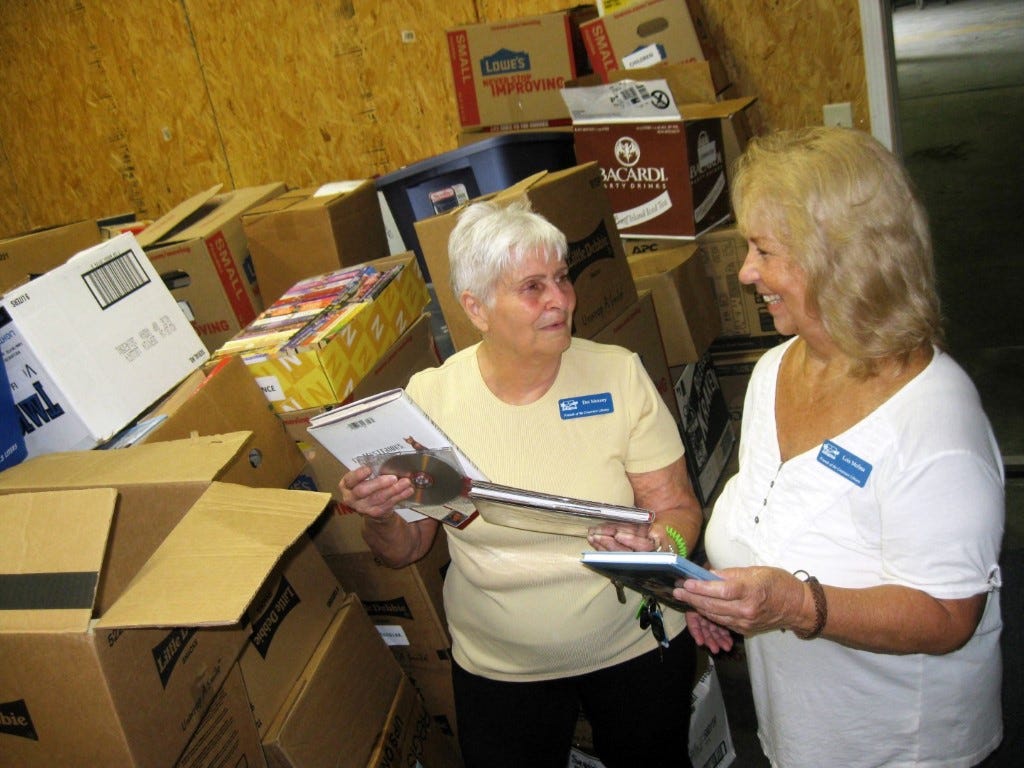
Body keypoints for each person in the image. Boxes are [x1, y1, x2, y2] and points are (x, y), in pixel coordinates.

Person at [676, 126, 1005, 767]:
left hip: (901, 748)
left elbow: (948, 615)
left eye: (763, 251)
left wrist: (794, 603)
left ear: (839, 257)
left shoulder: (936, 425)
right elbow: (777, 515)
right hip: (802, 733)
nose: (746, 273)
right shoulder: (775, 369)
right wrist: (729, 599)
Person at [340, 197, 704, 768]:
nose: (560, 300)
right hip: (499, 668)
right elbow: (404, 550)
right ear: (476, 309)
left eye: (561, 278)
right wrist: (379, 513)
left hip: (633, 645)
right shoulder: (432, 400)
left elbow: (679, 509)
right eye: (533, 287)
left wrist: (664, 548)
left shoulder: (617, 373)